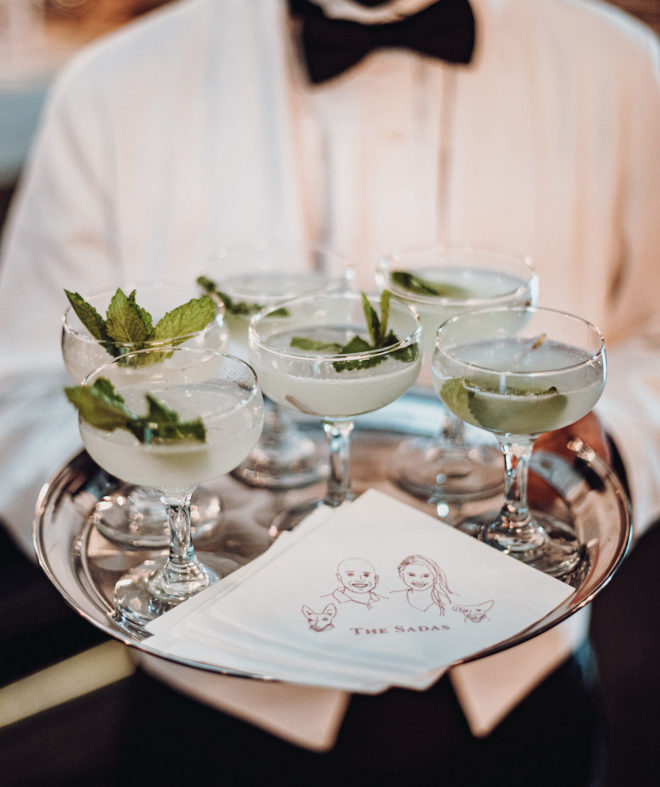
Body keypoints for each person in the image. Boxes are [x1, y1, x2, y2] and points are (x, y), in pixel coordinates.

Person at [0, 0, 658, 782]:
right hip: (209, 715)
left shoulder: (622, 65)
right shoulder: (112, 86)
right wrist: (149, 494)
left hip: (524, 700)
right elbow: (28, 383)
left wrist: (601, 443)